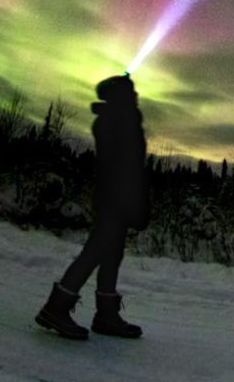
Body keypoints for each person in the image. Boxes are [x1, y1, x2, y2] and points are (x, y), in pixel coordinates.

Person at [36, 73, 149, 339]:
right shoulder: (115, 121)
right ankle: (56, 307)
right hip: (114, 198)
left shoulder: (122, 120)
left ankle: (106, 315)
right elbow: (123, 166)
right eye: (130, 92)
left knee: (112, 254)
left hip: (119, 198)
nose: (135, 96)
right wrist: (130, 200)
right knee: (96, 251)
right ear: (119, 96)